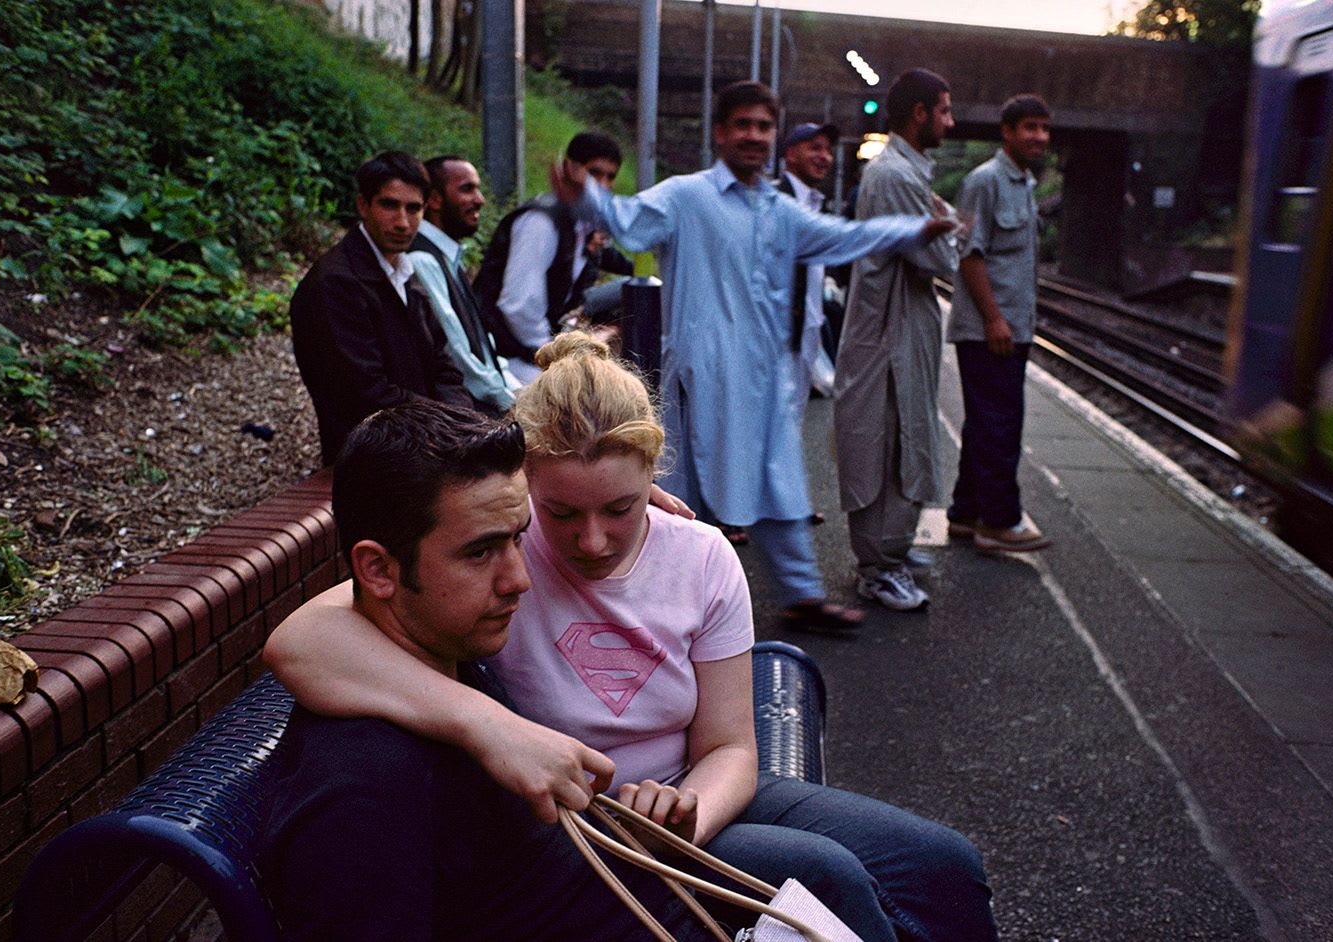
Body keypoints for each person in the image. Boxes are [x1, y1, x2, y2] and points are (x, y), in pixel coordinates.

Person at [265, 333, 999, 942]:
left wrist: (687, 815)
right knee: (823, 883)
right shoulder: (451, 598)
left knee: (942, 866)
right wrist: (493, 726)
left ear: (653, 473)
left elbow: (728, 746)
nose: (533, 568)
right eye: (549, 517)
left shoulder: (656, 553)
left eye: (619, 507)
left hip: (666, 800)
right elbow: (303, 637)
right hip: (585, 829)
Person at [260, 399, 713, 941]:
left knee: (825, 866)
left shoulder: (444, 649)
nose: (520, 579)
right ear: (379, 569)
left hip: (613, 880)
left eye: (519, 537)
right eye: (481, 552)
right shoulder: (363, 791)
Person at [550, 80, 958, 634]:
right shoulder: (687, 196)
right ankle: (657, 606)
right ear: (720, 133)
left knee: (781, 487)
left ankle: (801, 596)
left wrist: (912, 229)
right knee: (687, 493)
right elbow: (626, 220)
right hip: (704, 373)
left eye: (763, 126)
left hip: (764, 378)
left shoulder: (779, 211)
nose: (753, 136)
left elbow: (844, 237)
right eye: (741, 125)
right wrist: (585, 198)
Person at [834, 68, 960, 611]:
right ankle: (877, 568)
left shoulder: (905, 172)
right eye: (945, 111)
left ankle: (892, 552)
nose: (951, 123)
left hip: (900, 328)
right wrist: (950, 225)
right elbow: (940, 257)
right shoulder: (896, 177)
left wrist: (945, 221)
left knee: (901, 440)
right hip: (888, 335)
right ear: (920, 113)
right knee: (882, 446)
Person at [290, 150, 474, 465]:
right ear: (364, 205)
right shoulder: (336, 284)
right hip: (375, 456)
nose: (403, 222)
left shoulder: (403, 270)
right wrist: (451, 425)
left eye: (414, 208)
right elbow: (366, 394)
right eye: (390, 205)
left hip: (426, 438)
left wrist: (460, 420)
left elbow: (444, 364)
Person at [946, 94, 1054, 552]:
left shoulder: (1024, 183)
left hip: (1012, 326)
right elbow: (970, 254)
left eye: (1044, 129)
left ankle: (966, 513)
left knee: (986, 422)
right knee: (1000, 423)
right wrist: (993, 319)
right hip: (991, 329)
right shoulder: (984, 181)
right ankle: (999, 520)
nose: (1039, 137)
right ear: (1006, 132)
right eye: (1029, 127)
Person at [475, 131, 634, 384]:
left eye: (610, 177)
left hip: (533, 351)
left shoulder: (579, 225)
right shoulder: (541, 222)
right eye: (594, 174)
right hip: (507, 359)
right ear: (570, 170)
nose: (601, 186)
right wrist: (556, 358)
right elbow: (519, 306)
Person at [408, 154, 520, 414]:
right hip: (468, 411)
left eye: (478, 189)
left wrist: (518, 389)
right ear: (434, 199)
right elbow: (457, 354)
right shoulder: (422, 259)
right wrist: (511, 403)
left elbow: (481, 345)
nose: (480, 200)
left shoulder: (447, 255)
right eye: (467, 189)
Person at [777, 121, 841, 411]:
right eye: (815, 147)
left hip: (808, 331)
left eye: (828, 150)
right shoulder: (776, 201)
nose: (824, 156)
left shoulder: (816, 206)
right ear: (791, 154)